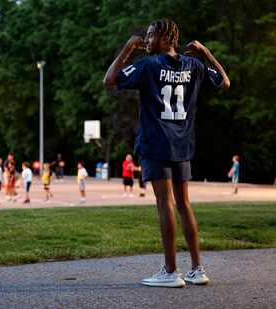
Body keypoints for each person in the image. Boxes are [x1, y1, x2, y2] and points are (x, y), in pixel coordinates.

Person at [104, 18, 230, 288]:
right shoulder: (194, 65)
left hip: (156, 143)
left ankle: (171, 272)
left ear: (164, 37)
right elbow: (225, 83)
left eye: (150, 36)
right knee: (183, 204)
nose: (146, 40)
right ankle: (197, 269)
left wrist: (127, 48)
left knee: (165, 204)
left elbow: (110, 80)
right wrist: (206, 53)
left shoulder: (149, 65)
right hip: (182, 144)